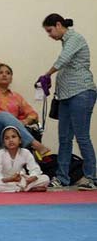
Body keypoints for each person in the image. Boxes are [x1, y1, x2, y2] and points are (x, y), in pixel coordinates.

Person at [38, 13, 97, 190]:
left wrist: (47, 74)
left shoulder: (75, 38)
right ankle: (62, 177)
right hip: (65, 96)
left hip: (82, 93)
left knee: (82, 137)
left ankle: (91, 177)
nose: (49, 35)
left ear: (58, 24)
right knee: (64, 138)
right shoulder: (66, 41)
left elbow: (62, 60)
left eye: (50, 31)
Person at [0, 58, 52, 158]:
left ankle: (25, 167)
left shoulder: (16, 97)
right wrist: (2, 64)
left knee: (10, 126)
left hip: (7, 136)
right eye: (0, 72)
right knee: (3, 116)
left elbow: (33, 115)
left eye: (8, 73)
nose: (4, 75)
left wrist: (24, 122)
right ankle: (36, 145)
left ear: (11, 78)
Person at [0, 126, 49, 192]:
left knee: (45, 178)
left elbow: (35, 168)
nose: (11, 140)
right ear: (4, 143)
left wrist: (32, 177)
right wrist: (10, 179)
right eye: (7, 138)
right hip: (6, 181)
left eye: (13, 137)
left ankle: (20, 188)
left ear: (20, 140)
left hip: (21, 180)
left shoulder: (25, 152)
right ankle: (24, 188)